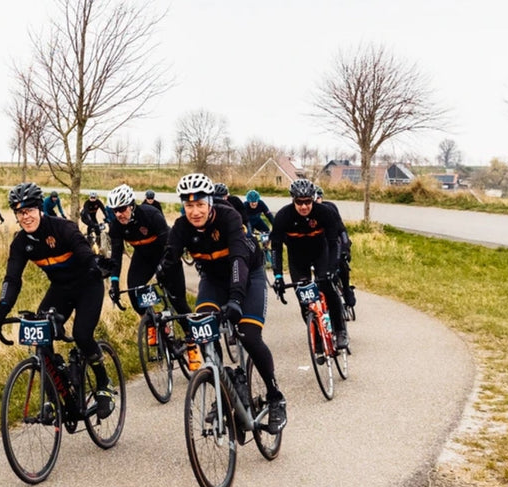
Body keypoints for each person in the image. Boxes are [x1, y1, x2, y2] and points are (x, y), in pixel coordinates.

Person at [156, 172, 287, 431]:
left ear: (210, 203)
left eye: (200, 205)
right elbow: (170, 260)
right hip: (214, 281)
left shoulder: (229, 217)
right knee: (204, 329)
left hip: (248, 275)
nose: (194, 211)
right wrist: (164, 283)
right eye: (189, 205)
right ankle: (221, 384)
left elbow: (239, 259)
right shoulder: (181, 227)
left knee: (249, 335)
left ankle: (275, 398)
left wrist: (237, 299)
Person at [0, 182, 114, 418]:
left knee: (83, 335)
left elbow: (83, 251)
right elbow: (12, 279)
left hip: (88, 285)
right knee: (41, 339)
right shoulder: (21, 243)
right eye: (20, 212)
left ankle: (104, 384)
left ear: (40, 209)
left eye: (30, 210)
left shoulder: (63, 228)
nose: (26, 217)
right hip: (61, 289)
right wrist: (0, 312)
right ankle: (55, 398)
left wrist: (95, 265)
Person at [270, 179, 349, 349]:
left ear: (313, 199)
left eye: (307, 202)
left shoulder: (324, 212)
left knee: (327, 286)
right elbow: (275, 248)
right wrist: (278, 276)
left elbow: (334, 241)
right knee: (305, 299)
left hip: (320, 253)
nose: (304, 206)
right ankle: (318, 338)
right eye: (299, 202)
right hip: (297, 258)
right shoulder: (283, 216)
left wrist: (333, 267)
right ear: (293, 200)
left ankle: (340, 330)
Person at [104, 184, 190, 318]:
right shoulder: (116, 226)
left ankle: (188, 332)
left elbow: (170, 244)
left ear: (131, 205)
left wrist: (163, 267)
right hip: (143, 258)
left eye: (122, 209)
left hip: (166, 256)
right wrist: (114, 283)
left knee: (178, 301)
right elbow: (116, 256)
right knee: (134, 292)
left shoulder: (150, 214)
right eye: (115, 210)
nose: (119, 214)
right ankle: (153, 324)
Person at [314, 186, 355, 308]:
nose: (317, 201)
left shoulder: (330, 208)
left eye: (319, 198)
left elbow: (342, 230)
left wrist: (346, 249)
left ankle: (347, 289)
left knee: (341, 263)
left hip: (336, 241)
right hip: (321, 245)